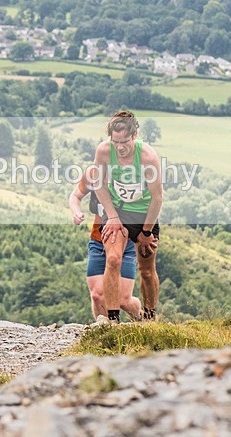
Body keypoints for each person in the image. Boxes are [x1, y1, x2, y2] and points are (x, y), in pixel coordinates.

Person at [89, 110, 163, 323]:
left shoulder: (147, 157)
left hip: (143, 215)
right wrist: (112, 216)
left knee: (147, 271)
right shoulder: (104, 151)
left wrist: (146, 231)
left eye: (125, 142)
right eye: (115, 142)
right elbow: (99, 184)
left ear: (134, 135)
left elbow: (157, 199)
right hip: (118, 212)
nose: (120, 147)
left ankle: (149, 320)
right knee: (112, 260)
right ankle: (113, 321)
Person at [70, 183, 142, 323]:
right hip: (99, 241)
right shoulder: (93, 173)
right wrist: (76, 212)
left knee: (122, 300)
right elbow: (75, 196)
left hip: (126, 243)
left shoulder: (129, 173)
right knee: (97, 295)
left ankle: (139, 317)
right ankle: (106, 330)